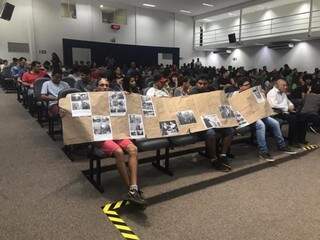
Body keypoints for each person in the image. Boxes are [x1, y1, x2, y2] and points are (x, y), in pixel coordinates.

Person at [95, 77, 146, 205]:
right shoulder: (91, 98)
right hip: (101, 135)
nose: (105, 87)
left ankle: (134, 187)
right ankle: (130, 188)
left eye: (107, 85)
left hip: (117, 132)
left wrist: (127, 97)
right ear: (97, 87)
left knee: (133, 149)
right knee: (118, 152)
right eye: (102, 85)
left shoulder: (114, 97)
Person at [237, 77, 297, 161]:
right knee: (261, 125)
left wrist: (262, 96)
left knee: (275, 123)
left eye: (249, 84)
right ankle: (263, 151)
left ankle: (282, 146)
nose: (249, 86)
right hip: (247, 117)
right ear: (240, 86)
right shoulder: (236, 96)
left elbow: (260, 105)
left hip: (257, 114)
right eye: (246, 85)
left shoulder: (251, 93)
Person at [190, 75, 234, 172]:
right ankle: (213, 159)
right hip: (200, 122)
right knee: (210, 133)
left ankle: (223, 155)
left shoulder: (211, 92)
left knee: (230, 130)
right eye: (200, 83)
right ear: (196, 84)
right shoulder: (192, 93)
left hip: (213, 119)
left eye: (204, 84)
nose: (202, 86)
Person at [267, 78, 308, 146]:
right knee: (293, 119)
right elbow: (273, 105)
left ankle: (301, 138)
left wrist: (291, 106)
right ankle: (292, 141)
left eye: (286, 85)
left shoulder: (283, 93)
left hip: (285, 112)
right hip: (276, 113)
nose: (286, 87)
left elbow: (288, 101)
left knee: (303, 116)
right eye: (283, 85)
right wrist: (287, 108)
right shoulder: (271, 93)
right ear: (277, 85)